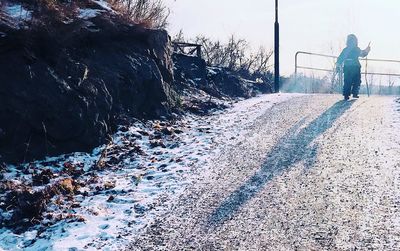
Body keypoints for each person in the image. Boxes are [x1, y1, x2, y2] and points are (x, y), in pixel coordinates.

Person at [336, 34, 371, 100]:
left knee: (349, 81)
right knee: (355, 80)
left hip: (350, 66)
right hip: (354, 66)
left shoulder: (347, 49)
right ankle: (354, 93)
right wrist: (367, 50)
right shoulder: (355, 49)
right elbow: (363, 54)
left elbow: (340, 58)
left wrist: (338, 65)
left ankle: (348, 94)